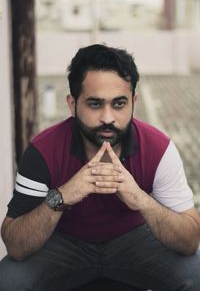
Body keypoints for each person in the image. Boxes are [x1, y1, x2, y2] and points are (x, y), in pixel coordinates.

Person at [0, 44, 200, 291]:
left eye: (119, 104)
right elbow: (15, 245)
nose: (108, 118)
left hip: (133, 241)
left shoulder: (159, 149)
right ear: (72, 104)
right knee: (9, 279)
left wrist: (141, 200)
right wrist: (61, 196)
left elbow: (190, 240)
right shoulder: (43, 151)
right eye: (95, 104)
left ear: (133, 101)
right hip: (64, 243)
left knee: (195, 273)